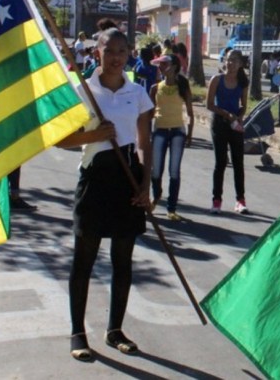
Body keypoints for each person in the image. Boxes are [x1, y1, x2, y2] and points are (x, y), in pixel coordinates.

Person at [55, 27, 153, 361]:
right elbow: (60, 139)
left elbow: (144, 142)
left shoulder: (137, 92)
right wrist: (94, 135)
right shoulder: (83, 90)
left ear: (129, 54)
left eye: (122, 51)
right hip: (95, 180)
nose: (115, 58)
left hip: (127, 180)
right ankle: (77, 333)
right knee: (83, 260)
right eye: (109, 50)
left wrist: (145, 184)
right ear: (97, 51)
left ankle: (115, 331)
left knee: (122, 261)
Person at [149, 54, 194, 220]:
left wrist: (189, 133)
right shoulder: (155, 88)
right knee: (156, 171)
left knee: (174, 171)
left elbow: (190, 112)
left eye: (164, 64)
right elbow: (148, 113)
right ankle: (156, 195)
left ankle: (171, 208)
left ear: (174, 67)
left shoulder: (182, 87)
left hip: (177, 132)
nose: (161, 68)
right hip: (159, 130)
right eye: (159, 65)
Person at [207, 49, 249, 214]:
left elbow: (243, 105)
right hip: (219, 123)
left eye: (234, 60)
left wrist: (239, 117)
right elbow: (209, 105)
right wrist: (226, 115)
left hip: (234, 124)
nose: (230, 63)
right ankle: (216, 200)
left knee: (238, 163)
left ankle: (240, 200)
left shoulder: (243, 82)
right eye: (228, 59)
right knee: (221, 162)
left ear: (240, 64)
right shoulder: (217, 80)